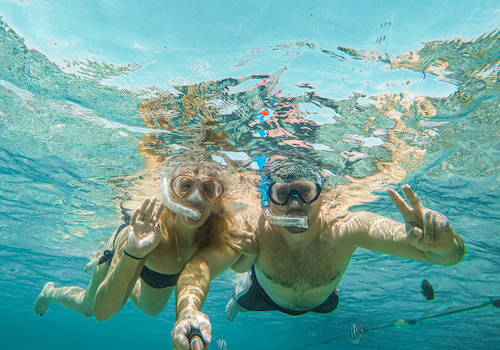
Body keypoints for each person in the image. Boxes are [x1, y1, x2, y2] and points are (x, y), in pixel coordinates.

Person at [171, 165, 466, 350]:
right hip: (262, 296)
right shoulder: (254, 230)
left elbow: (448, 258)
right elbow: (201, 265)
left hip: (325, 301)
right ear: (268, 199)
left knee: (326, 303)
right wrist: (188, 308)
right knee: (242, 299)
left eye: (304, 192)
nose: (294, 204)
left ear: (321, 197)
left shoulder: (348, 227)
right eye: (283, 194)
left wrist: (443, 242)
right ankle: (237, 298)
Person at [33, 159, 234, 321]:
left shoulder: (219, 234)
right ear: (170, 193)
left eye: (208, 189)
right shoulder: (149, 227)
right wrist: (131, 255)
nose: (196, 198)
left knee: (151, 310)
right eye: (186, 185)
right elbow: (102, 313)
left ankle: (129, 279)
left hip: (161, 270)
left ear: (218, 201)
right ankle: (50, 293)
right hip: (129, 248)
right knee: (89, 307)